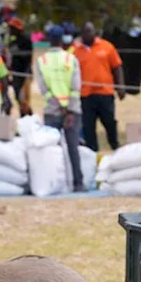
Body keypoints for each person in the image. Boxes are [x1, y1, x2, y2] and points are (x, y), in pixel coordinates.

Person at [37, 26, 85, 193]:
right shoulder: (71, 59)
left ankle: (52, 184)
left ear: (49, 40)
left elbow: (44, 89)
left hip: (52, 111)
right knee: (73, 147)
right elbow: (76, 87)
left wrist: (59, 106)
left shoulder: (41, 61)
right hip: (72, 111)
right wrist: (68, 109)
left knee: (51, 150)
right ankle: (78, 184)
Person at [73, 22, 125, 151]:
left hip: (105, 94)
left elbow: (117, 67)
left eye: (90, 31)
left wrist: (121, 86)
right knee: (88, 127)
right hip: (85, 96)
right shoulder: (76, 52)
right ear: (81, 35)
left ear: (94, 32)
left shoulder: (107, 47)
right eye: (85, 32)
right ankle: (93, 153)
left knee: (110, 122)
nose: (87, 34)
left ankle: (115, 146)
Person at [6, 17, 34, 116]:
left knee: (23, 100)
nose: (10, 30)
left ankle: (28, 118)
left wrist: (26, 76)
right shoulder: (13, 40)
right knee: (18, 98)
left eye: (12, 28)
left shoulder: (25, 40)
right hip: (16, 73)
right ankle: (24, 119)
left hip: (23, 73)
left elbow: (28, 59)